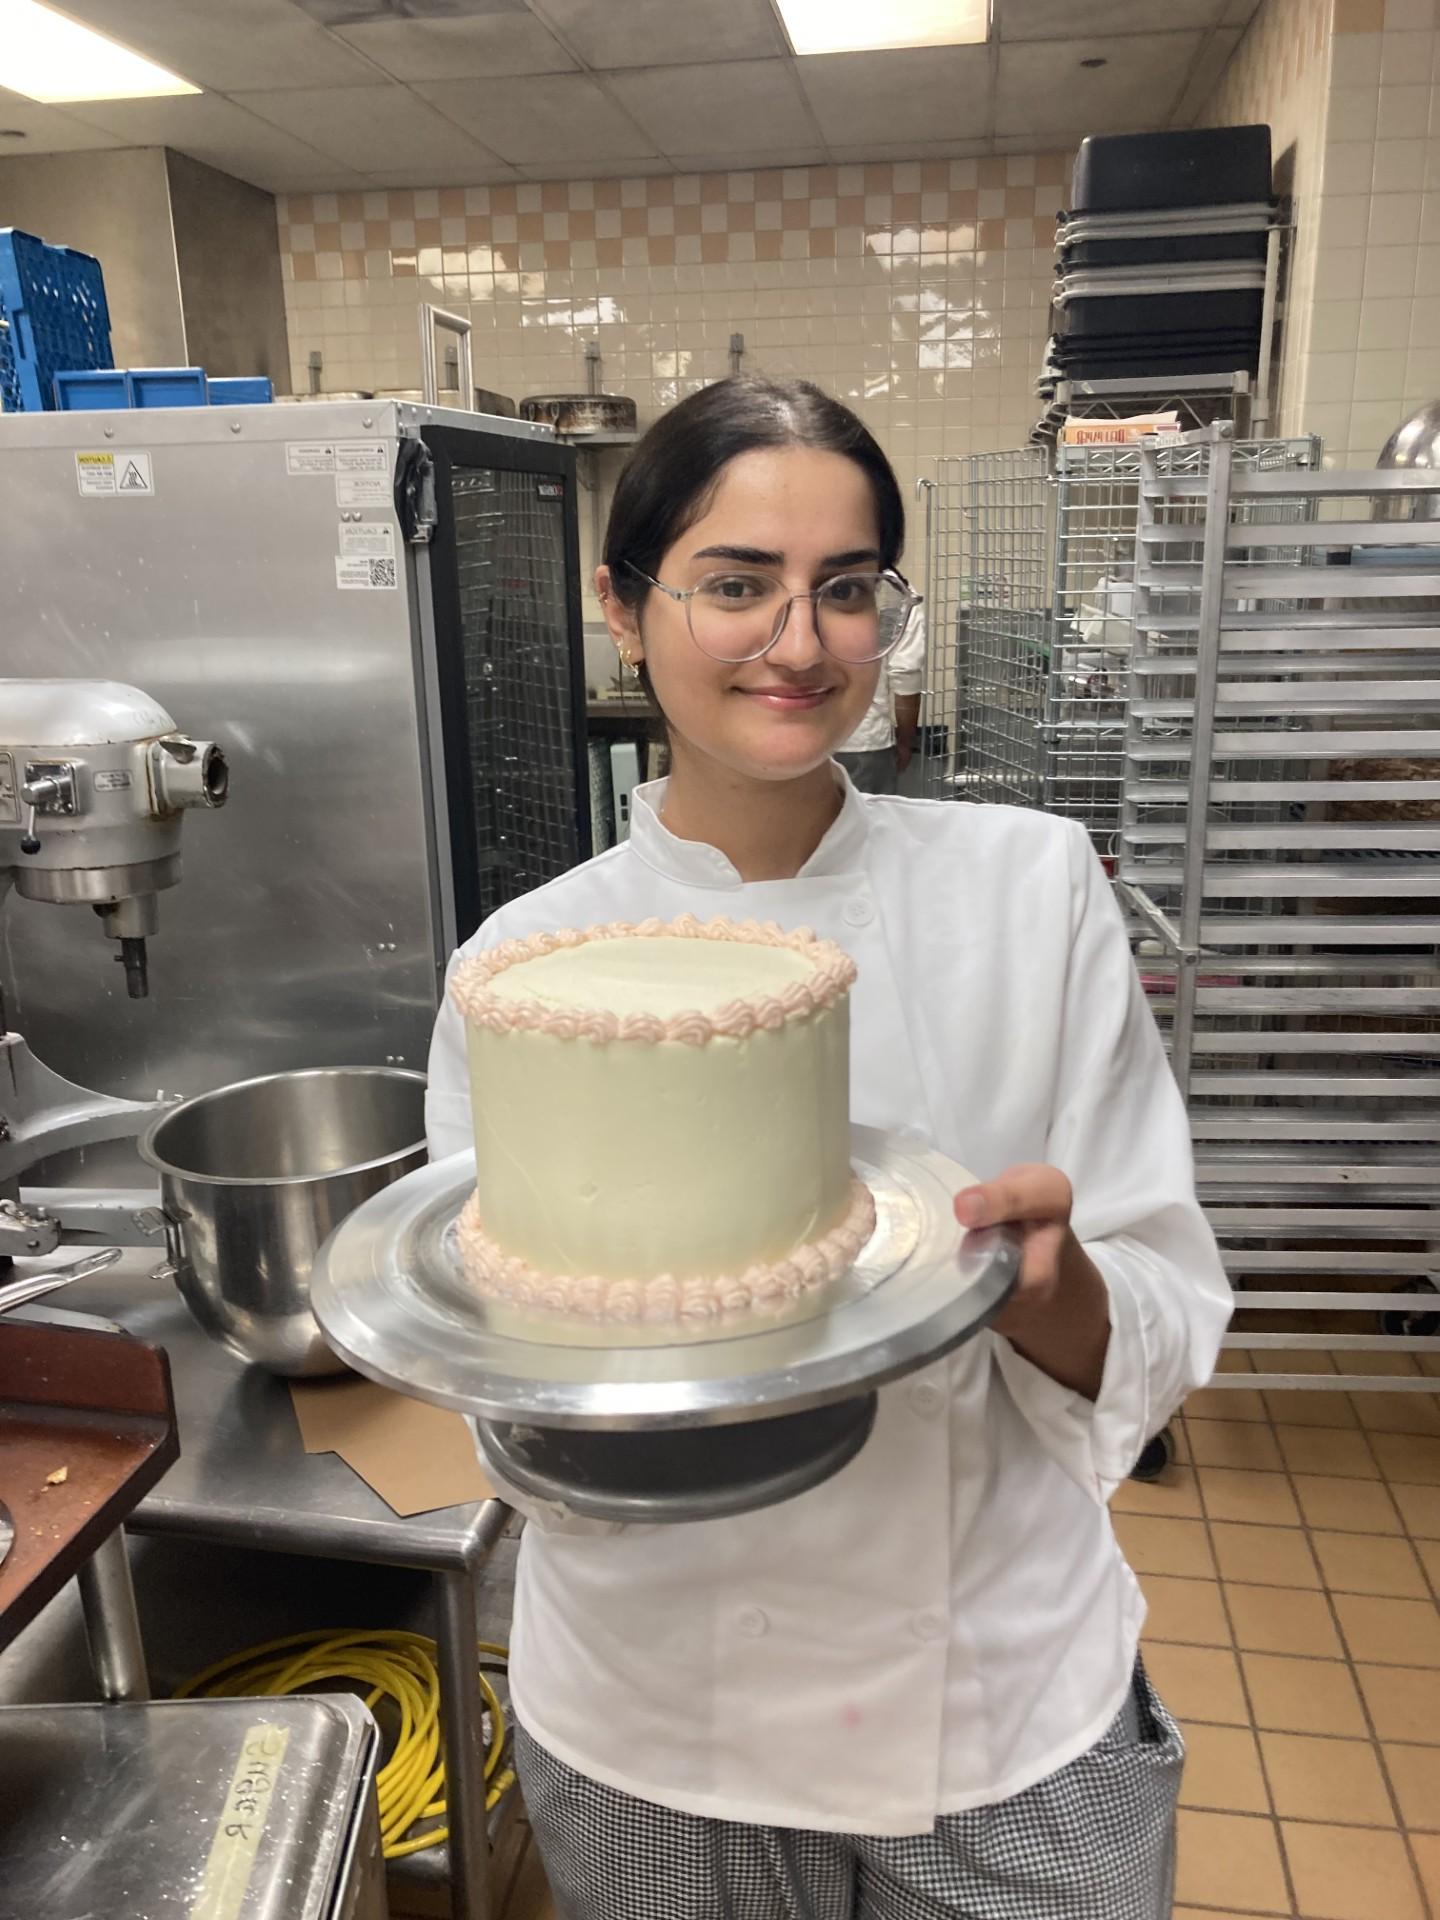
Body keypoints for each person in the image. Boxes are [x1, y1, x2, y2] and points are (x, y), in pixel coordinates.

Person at [426, 375, 1230, 1920]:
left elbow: (1165, 1301)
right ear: (623, 604)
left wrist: (1043, 1286)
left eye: (846, 592)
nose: (800, 644)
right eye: (737, 584)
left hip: (1002, 1697)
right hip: (665, 1716)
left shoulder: (1034, 887)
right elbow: (511, 1382)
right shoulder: (529, 971)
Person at [834, 602, 925, 795]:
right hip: (865, 740)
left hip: (801, 738)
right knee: (866, 820)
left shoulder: (807, 581)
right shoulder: (898, 596)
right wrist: (906, 741)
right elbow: (905, 675)